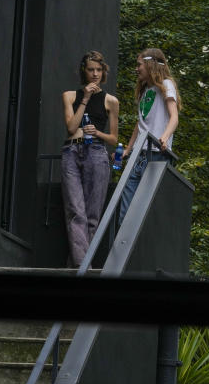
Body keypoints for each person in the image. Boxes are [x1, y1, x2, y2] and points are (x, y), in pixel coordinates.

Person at [61, 51, 119, 267]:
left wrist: (97, 133)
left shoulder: (111, 101)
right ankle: (82, 267)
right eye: (90, 69)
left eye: (98, 70)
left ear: (103, 72)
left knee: (93, 215)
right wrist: (85, 98)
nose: (95, 74)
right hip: (71, 152)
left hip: (96, 152)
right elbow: (71, 128)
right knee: (76, 212)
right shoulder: (70, 96)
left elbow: (113, 139)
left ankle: (77, 265)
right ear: (83, 72)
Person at [118, 48, 181, 222]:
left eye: (139, 65)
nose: (136, 69)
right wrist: (128, 149)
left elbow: (174, 117)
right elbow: (140, 124)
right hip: (139, 155)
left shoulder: (166, 85)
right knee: (126, 209)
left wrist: (165, 137)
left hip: (156, 155)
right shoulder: (145, 91)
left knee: (146, 210)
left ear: (150, 64)